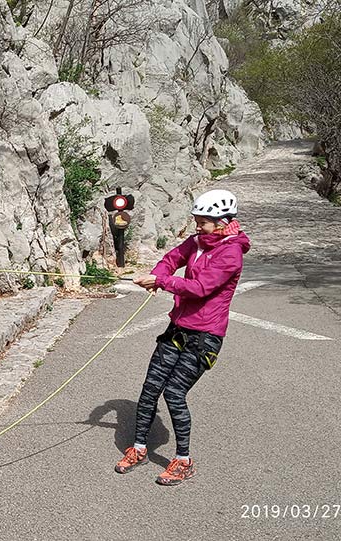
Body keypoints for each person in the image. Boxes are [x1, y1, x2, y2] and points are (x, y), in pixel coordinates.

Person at [115, 189, 250, 486]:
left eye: (203, 222)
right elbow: (171, 258)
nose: (197, 227)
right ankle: (139, 448)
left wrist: (162, 281)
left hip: (205, 336)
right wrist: (156, 275)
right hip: (178, 329)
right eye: (196, 221)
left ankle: (183, 461)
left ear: (222, 222)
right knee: (150, 388)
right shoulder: (197, 242)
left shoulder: (231, 253)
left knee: (174, 393)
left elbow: (200, 288)